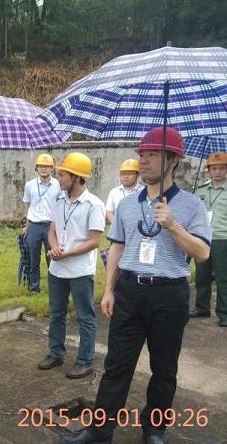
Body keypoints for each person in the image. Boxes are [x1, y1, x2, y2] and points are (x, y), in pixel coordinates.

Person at [59, 127, 211, 444]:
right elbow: (117, 247)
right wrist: (109, 289)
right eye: (141, 153)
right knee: (116, 365)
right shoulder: (128, 205)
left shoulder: (192, 205)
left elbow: (202, 253)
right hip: (129, 290)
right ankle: (100, 431)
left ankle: (154, 429)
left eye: (152, 154)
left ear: (173, 160)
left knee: (164, 369)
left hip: (169, 293)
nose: (143, 160)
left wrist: (173, 225)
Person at [37, 152, 105, 379]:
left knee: (85, 316)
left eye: (63, 175)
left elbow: (95, 241)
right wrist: (55, 247)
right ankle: (56, 352)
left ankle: (85, 360)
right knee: (56, 312)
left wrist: (66, 253)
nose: (59, 178)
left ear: (76, 177)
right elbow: (52, 229)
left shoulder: (93, 204)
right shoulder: (58, 199)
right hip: (57, 268)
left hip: (80, 270)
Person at [190, 151, 227, 327]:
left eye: (221, 168)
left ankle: (224, 313)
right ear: (208, 170)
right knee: (201, 276)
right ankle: (201, 307)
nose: (217, 172)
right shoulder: (200, 191)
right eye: (214, 168)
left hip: (222, 238)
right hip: (203, 238)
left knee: (223, 278)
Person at [22, 153, 62, 293]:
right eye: (41, 166)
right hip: (34, 224)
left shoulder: (58, 185)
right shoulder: (29, 185)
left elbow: (61, 205)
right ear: (36, 168)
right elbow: (27, 205)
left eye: (47, 166)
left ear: (52, 168)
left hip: (51, 225)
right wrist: (26, 225)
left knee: (52, 257)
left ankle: (54, 286)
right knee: (33, 257)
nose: (44, 169)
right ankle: (34, 287)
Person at [105, 158, 143, 223]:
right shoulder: (114, 192)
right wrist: (116, 225)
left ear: (138, 175)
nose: (126, 177)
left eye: (129, 174)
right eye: (123, 174)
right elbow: (109, 211)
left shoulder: (143, 191)